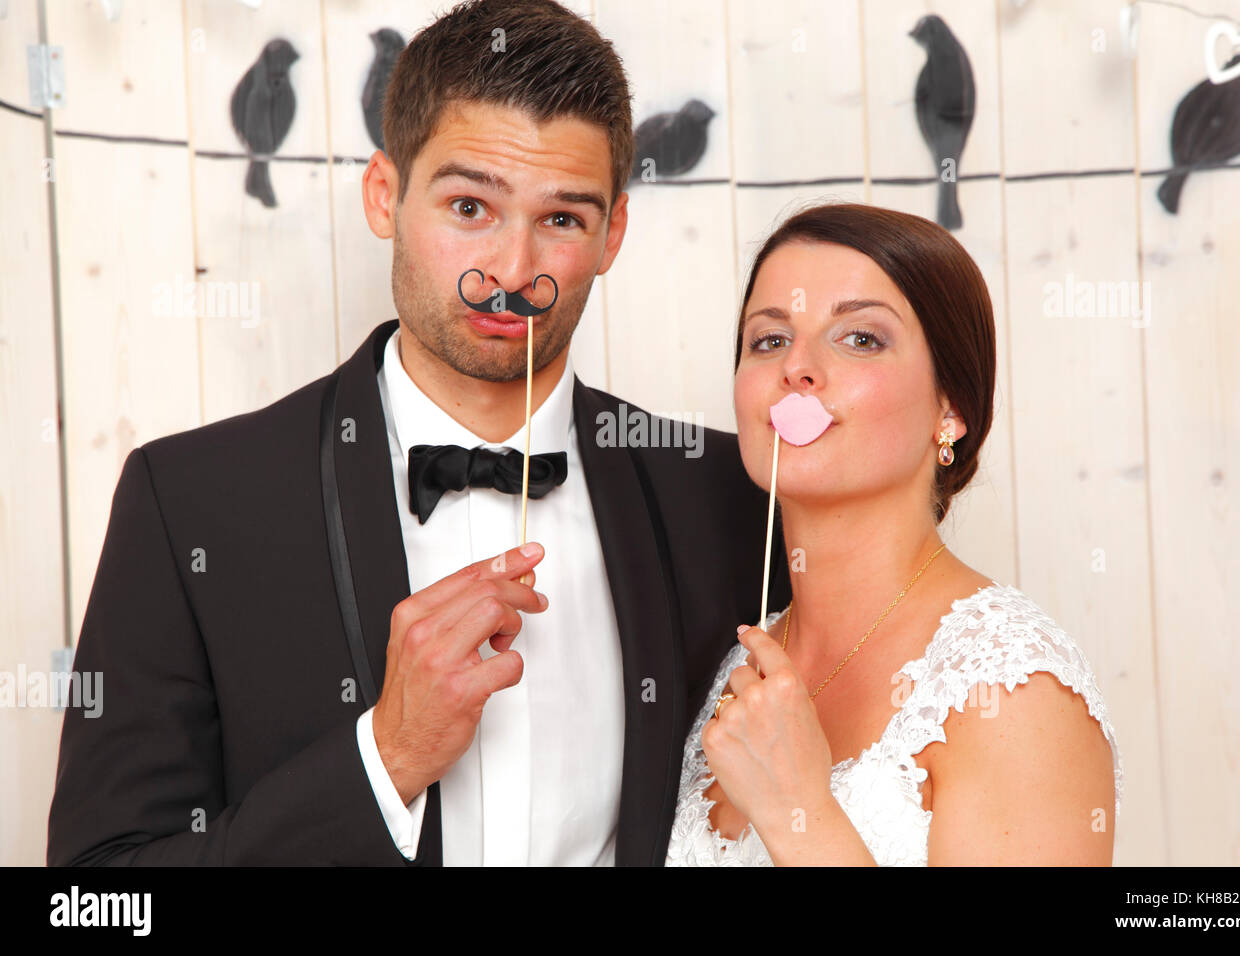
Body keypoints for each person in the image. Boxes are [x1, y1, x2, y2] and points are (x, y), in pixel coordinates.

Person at [47, 0, 789, 867]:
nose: (513, 272)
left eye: (562, 219)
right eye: (470, 206)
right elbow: (94, 900)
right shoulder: (191, 506)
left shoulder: (729, 499)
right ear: (383, 195)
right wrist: (384, 760)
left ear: (612, 233)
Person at [665, 203, 1124, 866]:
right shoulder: (736, 665)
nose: (797, 366)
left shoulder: (1014, 690)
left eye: (860, 338)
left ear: (953, 407)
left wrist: (800, 812)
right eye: (768, 340)